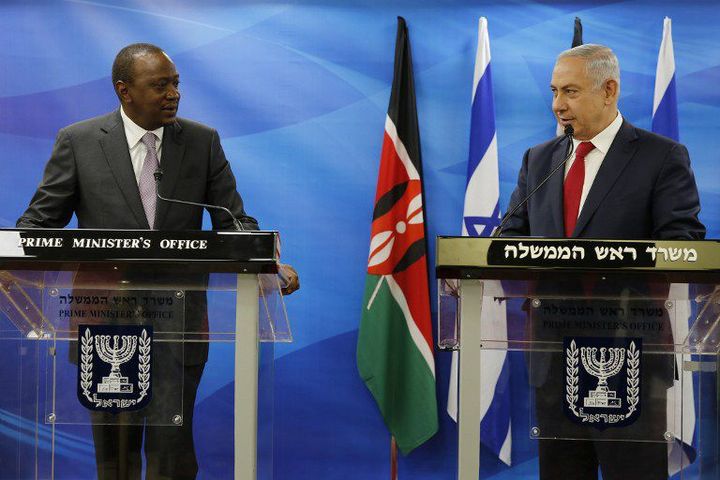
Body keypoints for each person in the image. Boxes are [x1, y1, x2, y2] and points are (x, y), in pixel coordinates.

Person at [17, 43, 299, 479]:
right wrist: (7, 262)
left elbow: (233, 220)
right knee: (115, 450)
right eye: (160, 85)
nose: (174, 94)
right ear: (124, 90)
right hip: (106, 318)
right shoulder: (79, 141)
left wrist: (268, 266)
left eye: (176, 83)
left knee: (172, 447)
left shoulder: (202, 141)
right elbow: (40, 222)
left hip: (179, 317)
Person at [501, 44, 705, 479]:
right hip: (552, 353)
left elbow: (683, 244)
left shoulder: (660, 157)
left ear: (609, 89)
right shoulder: (540, 160)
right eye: (554, 91)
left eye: (570, 92)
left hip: (630, 352)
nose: (558, 105)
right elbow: (509, 241)